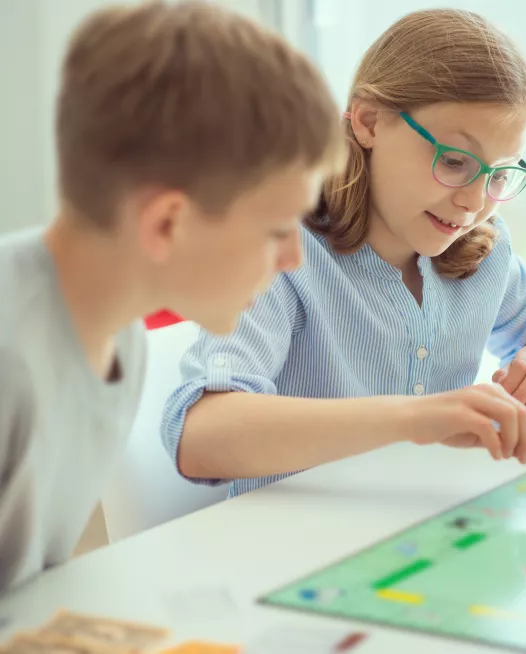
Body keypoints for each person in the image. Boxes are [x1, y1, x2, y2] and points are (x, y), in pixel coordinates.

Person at [162, 9, 526, 498]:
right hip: (297, 538)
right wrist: (411, 418)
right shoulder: (284, 253)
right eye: (454, 161)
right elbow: (199, 437)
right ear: (368, 122)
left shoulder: (480, 251)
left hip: (425, 525)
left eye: (498, 175)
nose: (474, 203)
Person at [0, 0, 345, 593]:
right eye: (275, 230)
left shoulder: (119, 335)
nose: (295, 258)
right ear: (166, 224)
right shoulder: (12, 358)